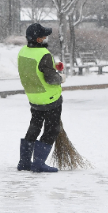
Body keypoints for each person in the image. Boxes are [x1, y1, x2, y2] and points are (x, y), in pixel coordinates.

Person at [17, 23, 66, 173]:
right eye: (44, 36)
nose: (46, 38)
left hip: (34, 97)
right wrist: (61, 77)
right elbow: (51, 79)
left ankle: (24, 162)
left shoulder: (23, 52)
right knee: (51, 129)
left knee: (34, 127)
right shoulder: (44, 54)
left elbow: (35, 69)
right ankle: (38, 163)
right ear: (39, 40)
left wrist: (53, 66)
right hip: (50, 99)